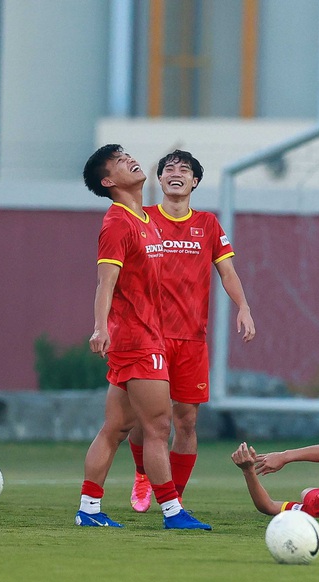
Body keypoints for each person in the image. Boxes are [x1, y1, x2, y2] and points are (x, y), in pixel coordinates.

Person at [77, 144, 210, 530]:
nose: (130, 160)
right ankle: (173, 513)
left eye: (127, 155)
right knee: (157, 427)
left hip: (143, 338)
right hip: (139, 341)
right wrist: (101, 327)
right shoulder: (118, 222)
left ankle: (88, 508)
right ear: (108, 181)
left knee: (115, 428)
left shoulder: (144, 219)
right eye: (119, 161)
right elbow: (105, 283)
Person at [126, 149, 256, 513]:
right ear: (160, 180)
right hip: (148, 336)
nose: (176, 173)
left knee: (186, 421)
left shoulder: (209, 225)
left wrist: (243, 308)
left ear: (195, 181)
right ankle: (141, 474)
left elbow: (227, 272)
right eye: (169, 169)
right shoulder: (143, 218)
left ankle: (175, 498)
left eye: (184, 169)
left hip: (191, 339)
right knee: (147, 419)